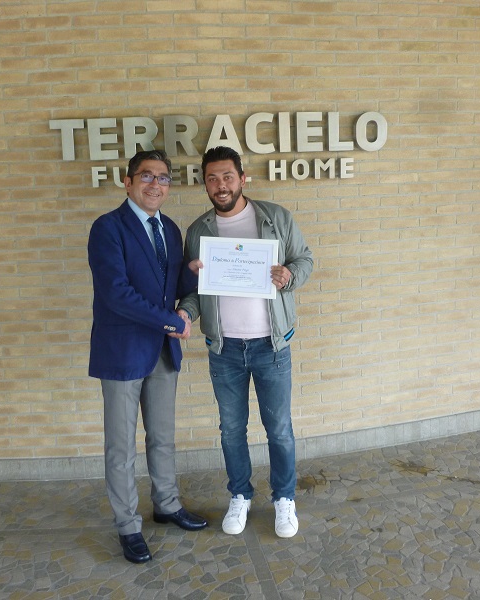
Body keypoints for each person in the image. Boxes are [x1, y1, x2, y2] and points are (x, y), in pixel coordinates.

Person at [177, 146, 313, 538]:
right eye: (212, 179)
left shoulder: (275, 218)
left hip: (272, 346)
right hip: (225, 349)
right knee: (231, 430)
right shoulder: (198, 231)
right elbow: (194, 289)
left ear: (242, 178)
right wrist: (185, 312)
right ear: (205, 184)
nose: (220, 185)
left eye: (227, 177)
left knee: (279, 429)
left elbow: (305, 260)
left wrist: (289, 275)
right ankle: (240, 494)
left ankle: (284, 498)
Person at [87, 149, 207, 564]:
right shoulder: (108, 228)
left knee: (162, 437)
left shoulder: (169, 229)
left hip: (161, 352)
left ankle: (167, 504)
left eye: (163, 178)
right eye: (147, 176)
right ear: (128, 182)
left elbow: (174, 286)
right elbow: (116, 293)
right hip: (122, 351)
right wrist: (171, 323)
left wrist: (194, 274)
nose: (156, 184)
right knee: (121, 448)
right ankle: (127, 526)